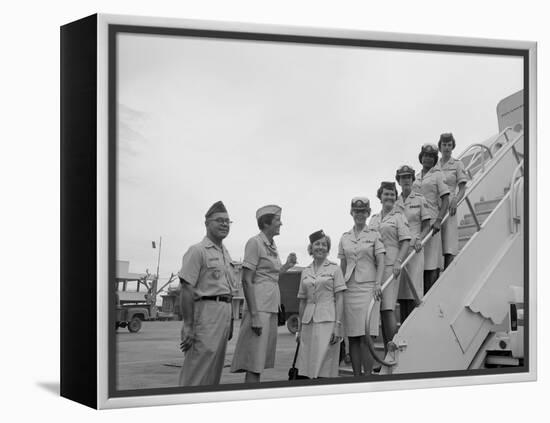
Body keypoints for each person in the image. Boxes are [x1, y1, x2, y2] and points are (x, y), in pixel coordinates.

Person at [230, 205, 297, 383]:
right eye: (277, 220)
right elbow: (246, 280)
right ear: (266, 223)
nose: (281, 223)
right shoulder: (255, 243)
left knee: (259, 362)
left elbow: (272, 276)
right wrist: (254, 315)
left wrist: (288, 266)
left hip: (270, 307)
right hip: (259, 308)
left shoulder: (271, 245)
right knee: (254, 362)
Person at [177, 201, 237, 386]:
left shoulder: (225, 254)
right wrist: (188, 324)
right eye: (219, 220)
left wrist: (231, 320)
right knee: (197, 370)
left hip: (224, 315)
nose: (224, 224)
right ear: (207, 223)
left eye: (228, 221)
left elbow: (228, 291)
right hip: (205, 315)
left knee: (213, 373)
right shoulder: (197, 251)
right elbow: (186, 288)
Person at [338, 197, 385, 377]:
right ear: (351, 213)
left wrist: (378, 283)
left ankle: (367, 376)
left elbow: (381, 261)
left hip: (368, 289)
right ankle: (356, 377)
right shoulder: (345, 237)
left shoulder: (374, 234)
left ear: (367, 213)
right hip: (349, 289)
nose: (360, 214)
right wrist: (339, 288)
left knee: (367, 336)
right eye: (356, 211)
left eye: (363, 211)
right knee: (354, 337)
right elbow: (343, 265)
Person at [295, 230, 346, 379]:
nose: (321, 247)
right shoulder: (305, 272)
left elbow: (340, 298)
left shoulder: (335, 269)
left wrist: (338, 325)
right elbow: (302, 301)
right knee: (307, 365)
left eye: (324, 244)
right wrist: (299, 329)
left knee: (325, 365)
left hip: (327, 321)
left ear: (328, 248)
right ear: (311, 248)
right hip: (308, 323)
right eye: (317, 244)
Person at [368, 182, 411, 350]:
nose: (389, 197)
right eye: (386, 194)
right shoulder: (374, 219)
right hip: (373, 267)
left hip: (390, 266)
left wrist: (399, 262)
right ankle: (387, 352)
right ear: (380, 197)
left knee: (387, 309)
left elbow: (406, 241)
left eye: (392, 194)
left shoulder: (399, 217)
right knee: (379, 311)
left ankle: (393, 352)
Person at [394, 165, 432, 322]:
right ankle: (403, 323)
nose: (406, 180)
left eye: (408, 177)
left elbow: (427, 225)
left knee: (414, 288)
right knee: (401, 289)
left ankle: (415, 322)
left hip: (414, 248)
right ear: (399, 181)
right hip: (399, 249)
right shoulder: (395, 202)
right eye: (403, 177)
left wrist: (420, 240)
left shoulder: (420, 199)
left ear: (412, 179)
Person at [412, 143, 450, 294]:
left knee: (431, 261)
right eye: (425, 155)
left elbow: (445, 199)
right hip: (417, 224)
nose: (427, 158)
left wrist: (439, 220)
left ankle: (431, 294)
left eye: (431, 156)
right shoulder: (415, 178)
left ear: (435, 159)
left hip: (432, 222)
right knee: (418, 261)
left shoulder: (438, 175)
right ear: (421, 157)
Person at [436, 133, 468, 269]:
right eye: (444, 145)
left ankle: (447, 273)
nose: (447, 148)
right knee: (436, 243)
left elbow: (462, 188)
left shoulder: (457, 164)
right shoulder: (435, 165)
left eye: (449, 145)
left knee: (448, 244)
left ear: (452, 146)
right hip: (434, 205)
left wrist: (455, 200)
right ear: (440, 146)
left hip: (449, 205)